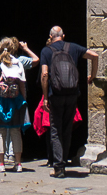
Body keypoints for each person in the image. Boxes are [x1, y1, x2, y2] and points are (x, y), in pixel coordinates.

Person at [39, 26, 99, 175]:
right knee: (66, 130)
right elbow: (95, 55)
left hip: (56, 94)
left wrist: (46, 97)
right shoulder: (73, 48)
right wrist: (92, 76)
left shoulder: (46, 51)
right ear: (63, 36)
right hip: (72, 93)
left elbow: (45, 75)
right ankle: (63, 161)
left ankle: (58, 166)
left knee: (55, 130)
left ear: (50, 36)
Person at [0, 36, 33, 172]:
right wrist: (23, 99)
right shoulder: (18, 63)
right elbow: (22, 84)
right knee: (15, 131)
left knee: (0, 132)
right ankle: (18, 163)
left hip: (1, 100)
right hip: (15, 101)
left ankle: (1, 164)